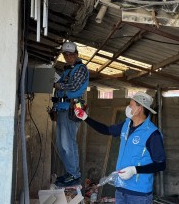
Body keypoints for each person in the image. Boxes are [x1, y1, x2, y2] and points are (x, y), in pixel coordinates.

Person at [74, 92, 166, 204]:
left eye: (131, 105)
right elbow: (106, 130)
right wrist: (85, 117)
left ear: (139, 109)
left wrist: (134, 170)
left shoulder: (152, 134)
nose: (128, 108)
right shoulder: (126, 124)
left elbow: (161, 164)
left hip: (139, 193)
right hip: (121, 188)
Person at [52, 41, 89, 187]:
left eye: (71, 54)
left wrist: (57, 84)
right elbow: (58, 91)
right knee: (62, 144)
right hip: (62, 108)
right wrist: (54, 108)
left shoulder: (81, 69)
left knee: (68, 144)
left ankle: (74, 174)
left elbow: (74, 86)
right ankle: (70, 172)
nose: (68, 57)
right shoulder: (66, 70)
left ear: (76, 54)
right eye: (65, 54)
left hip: (72, 109)